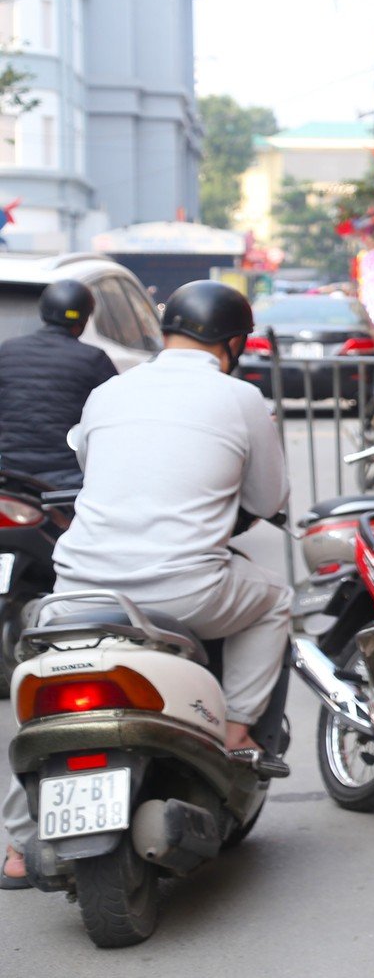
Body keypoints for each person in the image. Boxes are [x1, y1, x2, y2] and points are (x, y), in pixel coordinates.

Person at [3, 281, 291, 887]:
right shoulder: (240, 398)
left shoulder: (110, 390)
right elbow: (267, 499)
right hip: (186, 590)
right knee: (274, 600)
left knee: (52, 701)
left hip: (80, 587)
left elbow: (91, 465)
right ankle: (235, 731)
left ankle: (15, 847)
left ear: (167, 332)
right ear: (234, 343)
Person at [0, 280, 118, 488]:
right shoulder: (93, 359)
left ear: (43, 311)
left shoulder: (6, 352)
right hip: (69, 480)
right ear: (84, 318)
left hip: (11, 475)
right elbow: (115, 416)